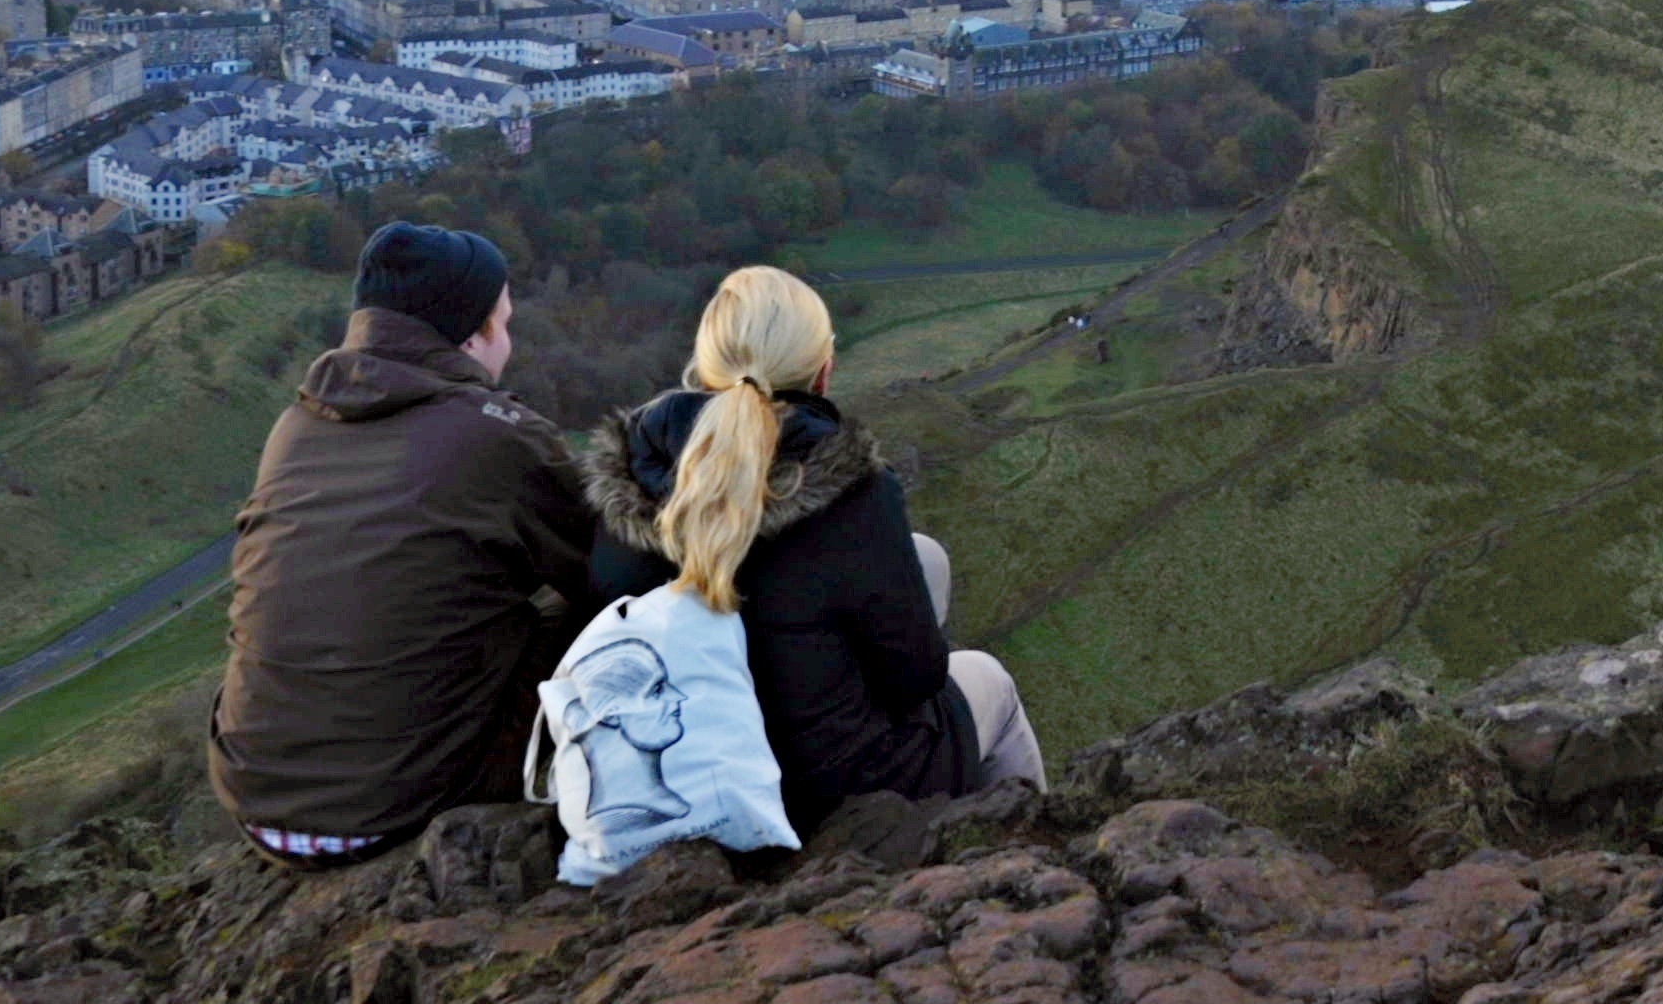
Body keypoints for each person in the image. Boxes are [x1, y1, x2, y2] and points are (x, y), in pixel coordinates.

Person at [581, 266, 1045, 834]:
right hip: (822, 794)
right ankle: (1031, 846)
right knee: (986, 677)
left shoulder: (632, 476)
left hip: (683, 777)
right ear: (822, 374)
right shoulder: (852, 493)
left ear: (706, 366)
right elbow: (918, 679)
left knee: (924, 558)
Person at [210, 223, 602, 866]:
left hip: (253, 797)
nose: (507, 340)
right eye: (503, 323)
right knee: (611, 620)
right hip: (400, 804)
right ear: (472, 335)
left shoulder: (296, 426)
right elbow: (614, 565)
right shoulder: (496, 436)